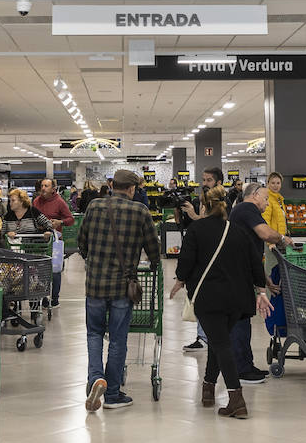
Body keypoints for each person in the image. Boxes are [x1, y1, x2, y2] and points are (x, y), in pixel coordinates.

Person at [173, 185, 272, 419]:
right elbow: (255, 262)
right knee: (220, 341)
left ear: (204, 206)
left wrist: (180, 280)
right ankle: (208, 389)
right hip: (238, 299)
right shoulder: (237, 231)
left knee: (222, 345)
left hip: (209, 298)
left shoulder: (196, 229)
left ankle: (236, 400)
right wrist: (261, 290)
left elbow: (185, 261)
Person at [77, 168, 161, 411]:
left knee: (94, 334)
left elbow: (81, 241)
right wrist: (154, 264)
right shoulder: (140, 211)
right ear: (132, 189)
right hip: (123, 286)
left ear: (112, 185)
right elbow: (153, 247)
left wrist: (92, 261)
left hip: (95, 284)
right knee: (117, 339)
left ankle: (96, 378)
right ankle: (112, 394)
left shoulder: (94, 206)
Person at [228, 181, 288, 384]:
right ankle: (241, 370)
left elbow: (253, 253)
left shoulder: (243, 211)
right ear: (254, 195)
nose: (266, 203)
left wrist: (265, 280)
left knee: (243, 321)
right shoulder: (247, 208)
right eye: (264, 198)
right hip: (237, 275)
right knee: (240, 322)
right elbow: (265, 233)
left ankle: (246, 365)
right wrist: (282, 238)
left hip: (240, 272)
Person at [178, 167, 226, 351]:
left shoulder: (223, 202)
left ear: (218, 183)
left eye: (208, 180)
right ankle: (204, 336)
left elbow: (213, 228)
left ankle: (207, 337)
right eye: (203, 180)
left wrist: (195, 216)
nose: (204, 184)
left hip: (216, 261)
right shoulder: (203, 200)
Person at [33, 177, 75, 303]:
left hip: (54, 242)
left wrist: (60, 222)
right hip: (39, 240)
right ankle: (43, 296)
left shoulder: (60, 202)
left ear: (53, 189)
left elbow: (70, 219)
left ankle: (55, 297)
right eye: (42, 186)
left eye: (46, 186)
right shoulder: (36, 201)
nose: (43, 188)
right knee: (39, 269)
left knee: (55, 269)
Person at [262, 172, 288, 238]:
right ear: (268, 184)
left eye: (278, 183)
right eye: (273, 183)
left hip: (280, 238)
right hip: (272, 239)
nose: (275, 186)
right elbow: (265, 222)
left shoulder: (279, 199)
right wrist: (270, 242)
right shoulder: (267, 199)